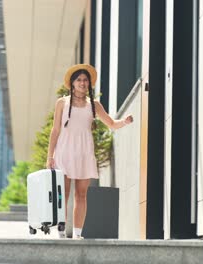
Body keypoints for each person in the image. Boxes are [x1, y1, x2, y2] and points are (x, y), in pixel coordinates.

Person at [46, 64, 133, 239]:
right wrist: (50, 156)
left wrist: (125, 121)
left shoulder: (94, 105)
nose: (82, 83)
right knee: (64, 193)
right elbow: (55, 130)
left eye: (85, 80)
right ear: (72, 83)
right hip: (64, 153)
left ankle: (78, 234)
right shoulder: (62, 103)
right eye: (79, 80)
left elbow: (111, 124)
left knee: (81, 194)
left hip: (84, 153)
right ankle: (61, 232)